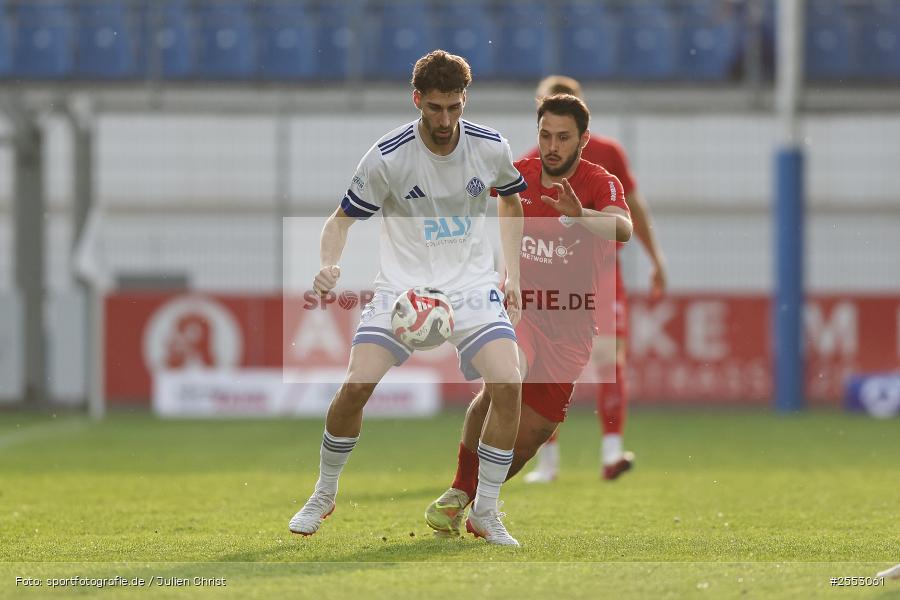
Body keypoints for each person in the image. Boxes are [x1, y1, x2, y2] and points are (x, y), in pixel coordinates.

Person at [288, 50, 527, 546]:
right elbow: (340, 220)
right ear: (417, 100)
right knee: (355, 386)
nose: (445, 119)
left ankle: (485, 510)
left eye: (454, 107)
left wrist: (513, 275)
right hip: (402, 292)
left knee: (509, 383)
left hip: (469, 287)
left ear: (465, 101)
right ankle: (324, 491)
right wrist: (329, 263)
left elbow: (512, 200)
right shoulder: (387, 156)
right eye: (435, 107)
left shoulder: (490, 146)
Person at [425, 93, 633, 538]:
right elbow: (506, 206)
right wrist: (511, 276)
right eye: (545, 135)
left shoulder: (599, 181)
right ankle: (466, 492)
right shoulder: (521, 172)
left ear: (583, 140)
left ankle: (478, 504)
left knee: (530, 438)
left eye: (563, 137)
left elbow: (623, 227)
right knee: (504, 383)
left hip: (574, 325)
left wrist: (582, 217)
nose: (552, 146)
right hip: (523, 309)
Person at [521, 75, 667, 483]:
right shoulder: (530, 165)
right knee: (543, 368)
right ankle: (546, 462)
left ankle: (611, 452)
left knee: (608, 358)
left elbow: (631, 210)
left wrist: (656, 259)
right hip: (554, 277)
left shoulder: (608, 155)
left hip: (601, 273)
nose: (555, 142)